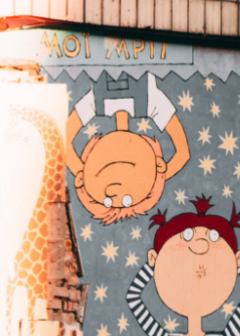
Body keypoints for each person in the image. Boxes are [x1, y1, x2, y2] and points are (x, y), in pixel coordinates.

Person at [126, 195, 240, 336]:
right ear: (153, 258)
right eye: (188, 235)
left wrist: (235, 263)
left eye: (213, 237)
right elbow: (133, 297)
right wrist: (156, 265)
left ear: (237, 259)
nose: (201, 244)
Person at [65, 74, 190, 224]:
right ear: (157, 167)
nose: (113, 192)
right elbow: (183, 152)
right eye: (127, 199)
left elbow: (63, 140)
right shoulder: (150, 99)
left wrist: (81, 170)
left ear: (80, 180)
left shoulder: (96, 99)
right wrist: (164, 172)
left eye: (107, 202)